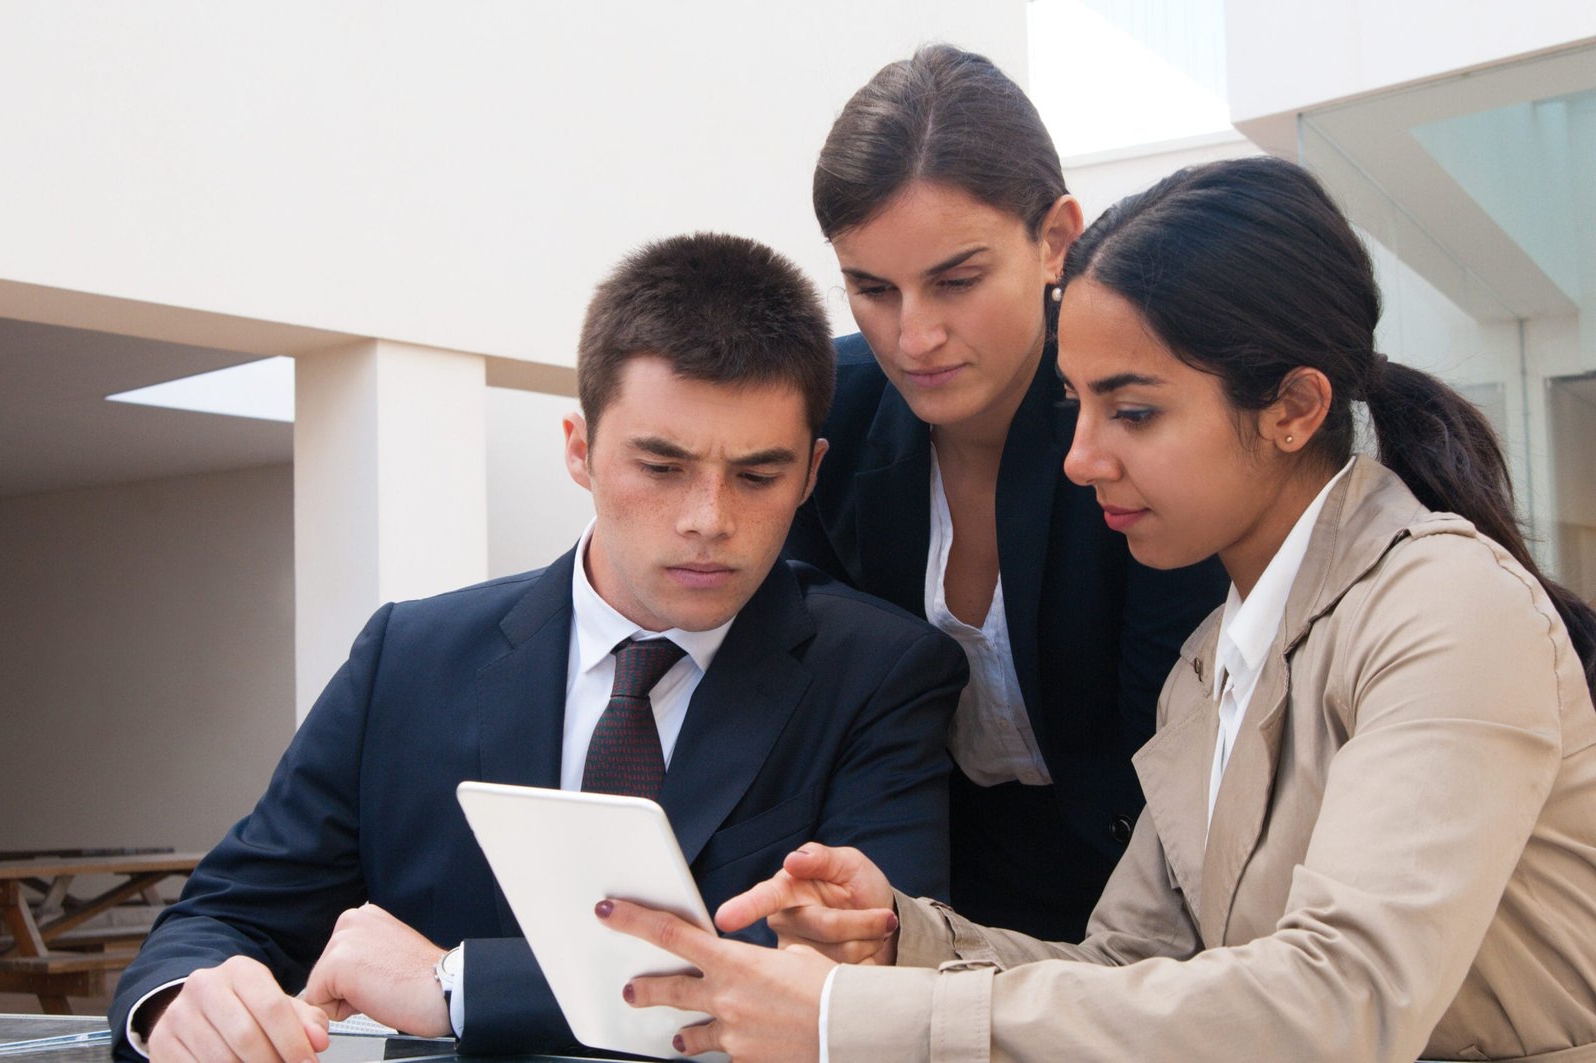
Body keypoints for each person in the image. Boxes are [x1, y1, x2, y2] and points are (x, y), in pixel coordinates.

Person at [601, 158, 1596, 1062]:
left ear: (1293, 407)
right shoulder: (1214, 662)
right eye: (1076, 405)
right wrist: (907, 939)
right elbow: (1126, 962)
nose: (1080, 459)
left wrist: (846, 1020)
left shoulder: (1446, 611)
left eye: (1133, 410)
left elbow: (1339, 1000)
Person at [109, 233, 968, 1062]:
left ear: (812, 475)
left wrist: (458, 982)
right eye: (661, 467)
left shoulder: (882, 675)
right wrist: (186, 1003)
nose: (709, 518)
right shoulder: (406, 658)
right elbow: (227, 914)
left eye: (756, 474)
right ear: (580, 450)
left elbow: (845, 995)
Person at [784, 44, 1228, 939]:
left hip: (1166, 896)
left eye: (957, 280)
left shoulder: (1142, 417)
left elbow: (1183, 744)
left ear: (1057, 237)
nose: (914, 335)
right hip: (925, 893)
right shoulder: (830, 411)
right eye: (872, 289)